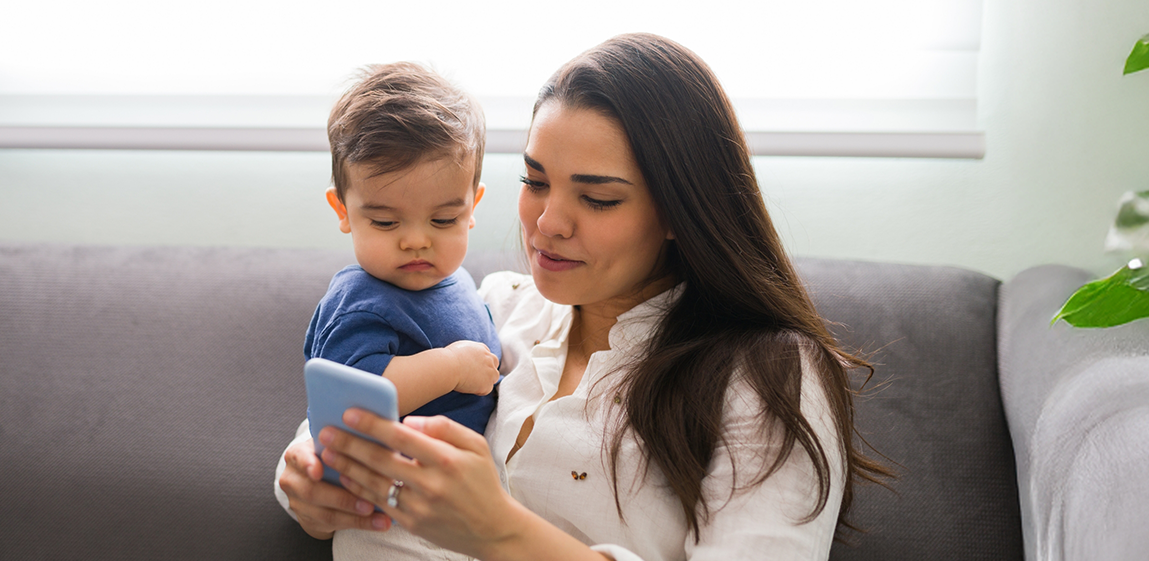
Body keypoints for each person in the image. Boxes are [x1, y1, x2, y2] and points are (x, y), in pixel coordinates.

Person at [275, 34, 889, 561]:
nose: (547, 224)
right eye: (534, 181)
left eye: (598, 198)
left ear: (680, 211)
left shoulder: (770, 376)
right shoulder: (493, 308)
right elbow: (339, 420)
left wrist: (500, 531)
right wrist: (309, 489)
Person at [302, 61, 507, 560]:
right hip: (386, 512)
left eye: (443, 218)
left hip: (456, 500)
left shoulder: (456, 280)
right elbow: (355, 396)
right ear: (344, 212)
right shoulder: (360, 301)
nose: (417, 239)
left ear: (473, 206)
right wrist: (452, 367)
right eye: (387, 221)